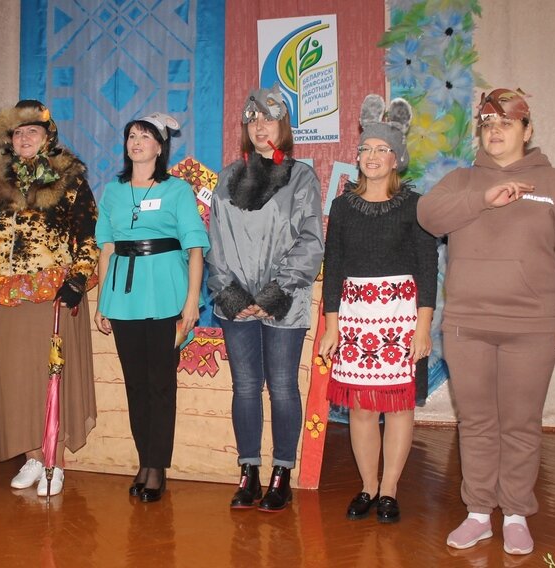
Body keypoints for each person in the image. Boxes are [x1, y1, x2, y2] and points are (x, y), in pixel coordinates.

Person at [417, 88, 555, 555]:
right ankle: (478, 513)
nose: (495, 131)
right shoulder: (461, 181)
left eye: (507, 123)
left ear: (527, 130)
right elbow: (428, 216)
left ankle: (515, 513)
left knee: (520, 424)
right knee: (475, 422)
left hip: (533, 326)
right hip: (468, 325)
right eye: (488, 124)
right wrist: (483, 199)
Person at [318, 95, 438, 524]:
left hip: (401, 319)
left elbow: (427, 267)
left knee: (400, 408)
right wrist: (332, 326)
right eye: (365, 148)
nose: (371, 156)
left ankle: (389, 490)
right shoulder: (342, 206)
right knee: (362, 409)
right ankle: (368, 486)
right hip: (355, 318)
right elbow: (334, 267)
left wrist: (423, 328)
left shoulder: (415, 205)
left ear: (396, 157)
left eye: (382, 148)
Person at [0, 100, 98, 497]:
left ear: (47, 137)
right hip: (4, 293)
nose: (24, 138)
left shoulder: (69, 178)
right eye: (18, 132)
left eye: (32, 131)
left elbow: (88, 234)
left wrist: (77, 279)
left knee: (49, 376)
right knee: (15, 379)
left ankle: (53, 460)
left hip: (51, 292)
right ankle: (31, 456)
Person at [207, 85, 324, 512]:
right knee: (244, 387)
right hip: (236, 302)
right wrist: (232, 293)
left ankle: (282, 474)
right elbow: (215, 243)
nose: (260, 126)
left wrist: (274, 293)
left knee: (282, 386)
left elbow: (311, 241)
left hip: (283, 301)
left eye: (269, 119)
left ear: (283, 126)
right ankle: (249, 472)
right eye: (253, 119)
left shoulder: (302, 177)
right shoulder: (227, 178)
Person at [93, 112, 209, 503]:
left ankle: (157, 466)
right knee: (135, 384)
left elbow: (196, 248)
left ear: (160, 147)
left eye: (145, 136)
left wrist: (191, 302)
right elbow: (106, 248)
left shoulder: (177, 190)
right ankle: (144, 460)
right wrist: (102, 303)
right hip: (123, 296)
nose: (137, 142)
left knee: (160, 384)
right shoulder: (112, 191)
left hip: (166, 293)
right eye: (131, 135)